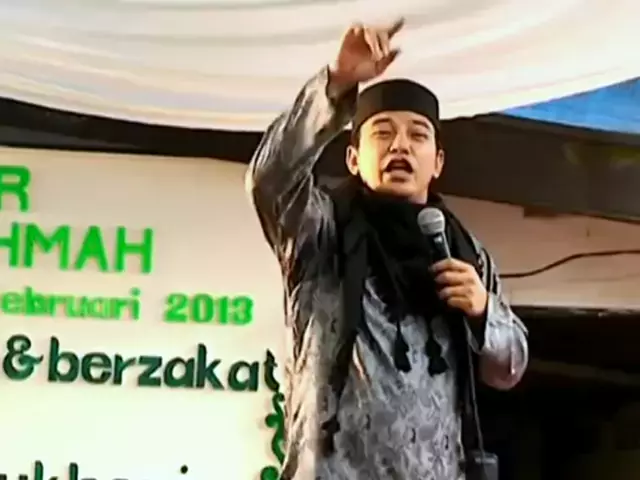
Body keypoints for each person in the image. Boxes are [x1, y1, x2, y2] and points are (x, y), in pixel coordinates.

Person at [246, 17, 529, 480]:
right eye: (382, 133)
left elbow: (509, 368)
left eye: (418, 135)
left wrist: (484, 312)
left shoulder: (464, 254)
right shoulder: (321, 231)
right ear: (354, 159)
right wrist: (337, 82)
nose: (401, 145)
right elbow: (269, 181)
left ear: (437, 162)